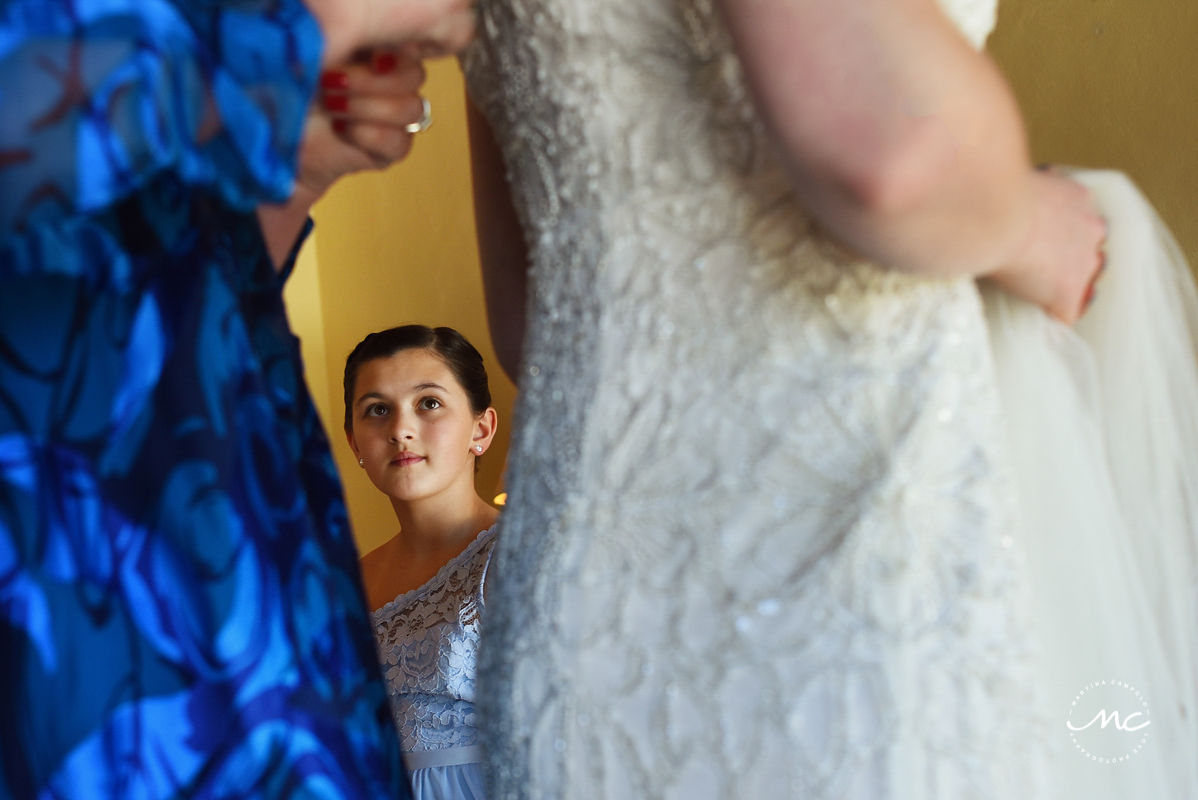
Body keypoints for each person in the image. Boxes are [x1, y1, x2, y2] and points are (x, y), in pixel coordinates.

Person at [460, 0, 1198, 797]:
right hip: (841, 595)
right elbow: (894, 155)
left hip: (573, 630)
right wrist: (1026, 226)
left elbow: (528, 318)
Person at [0, 1, 475, 796]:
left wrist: (296, 174)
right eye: (378, 410)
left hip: (272, 651)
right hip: (79, 640)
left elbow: (199, 330)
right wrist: (310, 28)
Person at [343, 325, 499, 800]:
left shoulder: (522, 555)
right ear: (354, 444)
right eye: (377, 410)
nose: (400, 430)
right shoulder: (343, 586)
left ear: (481, 429)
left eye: (428, 403)